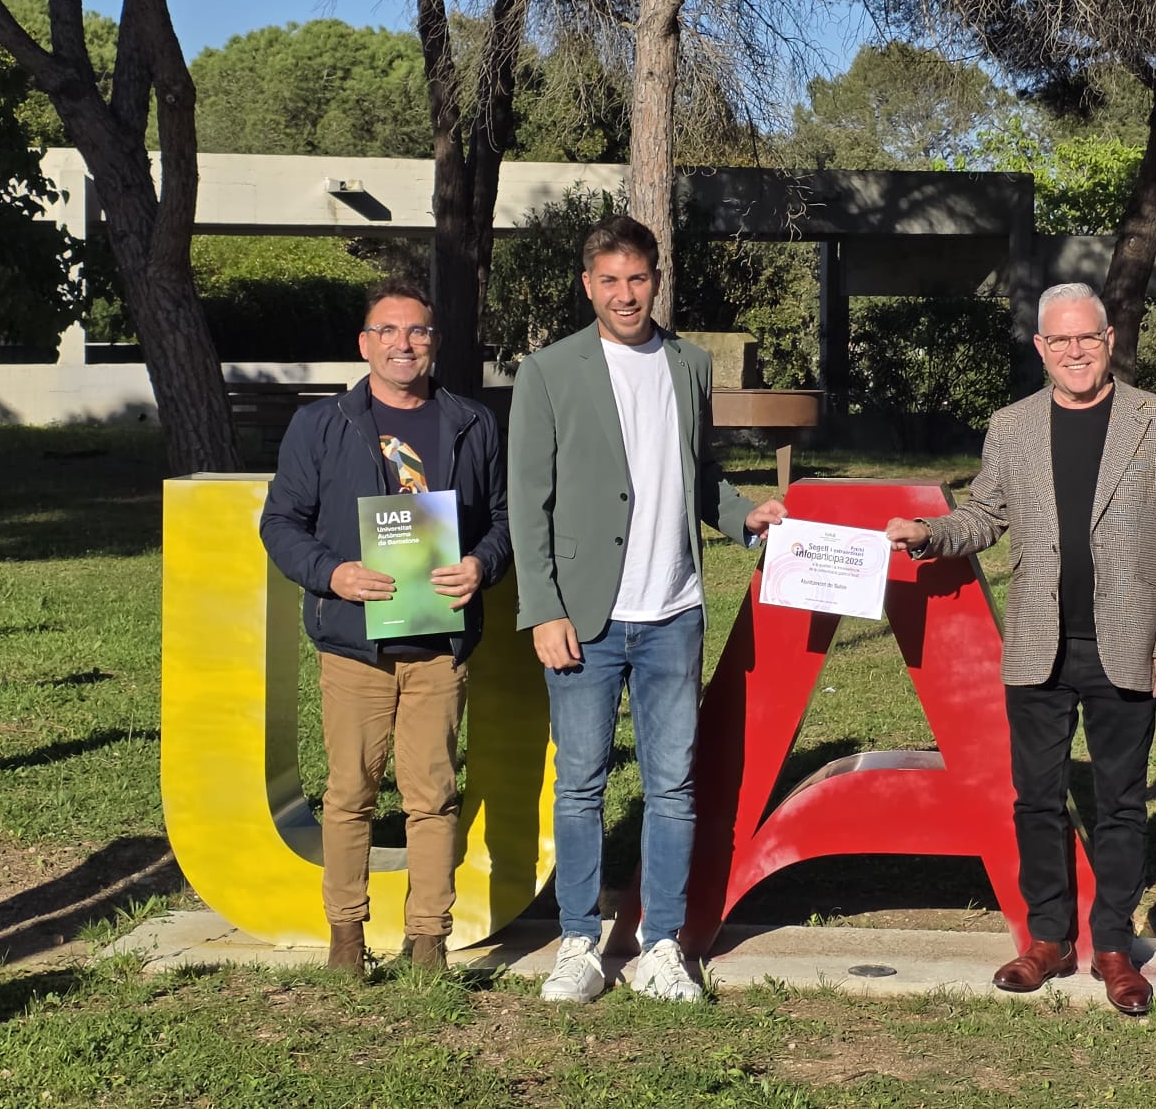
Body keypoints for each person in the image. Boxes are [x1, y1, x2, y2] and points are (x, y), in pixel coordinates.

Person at [885, 281, 1156, 1013]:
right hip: (1038, 643)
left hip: (1128, 640)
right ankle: (1047, 939)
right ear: (1041, 347)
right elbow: (985, 513)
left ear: (1110, 340)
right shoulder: (1013, 425)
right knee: (1036, 800)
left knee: (1122, 803)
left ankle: (1114, 946)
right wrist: (930, 534)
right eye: (1060, 340)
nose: (1075, 351)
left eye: (1087, 337)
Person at [509, 215, 786, 1004]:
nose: (625, 294)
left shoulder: (690, 364)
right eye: (610, 280)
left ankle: (662, 945)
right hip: (583, 619)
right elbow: (527, 502)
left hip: (673, 612)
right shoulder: (548, 372)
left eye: (637, 278)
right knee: (580, 786)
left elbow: (698, 474)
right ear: (588, 285)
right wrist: (544, 608)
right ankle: (578, 943)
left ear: (656, 280)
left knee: (673, 788)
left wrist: (744, 517)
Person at [260, 276, 511, 977]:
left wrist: (481, 564)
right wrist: (332, 574)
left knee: (433, 795)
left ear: (435, 342)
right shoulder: (323, 425)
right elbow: (280, 523)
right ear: (365, 344)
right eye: (388, 331)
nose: (404, 343)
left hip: (439, 642)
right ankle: (346, 936)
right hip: (354, 644)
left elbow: (503, 518)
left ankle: (428, 939)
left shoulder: (471, 422)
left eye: (418, 331)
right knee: (349, 794)